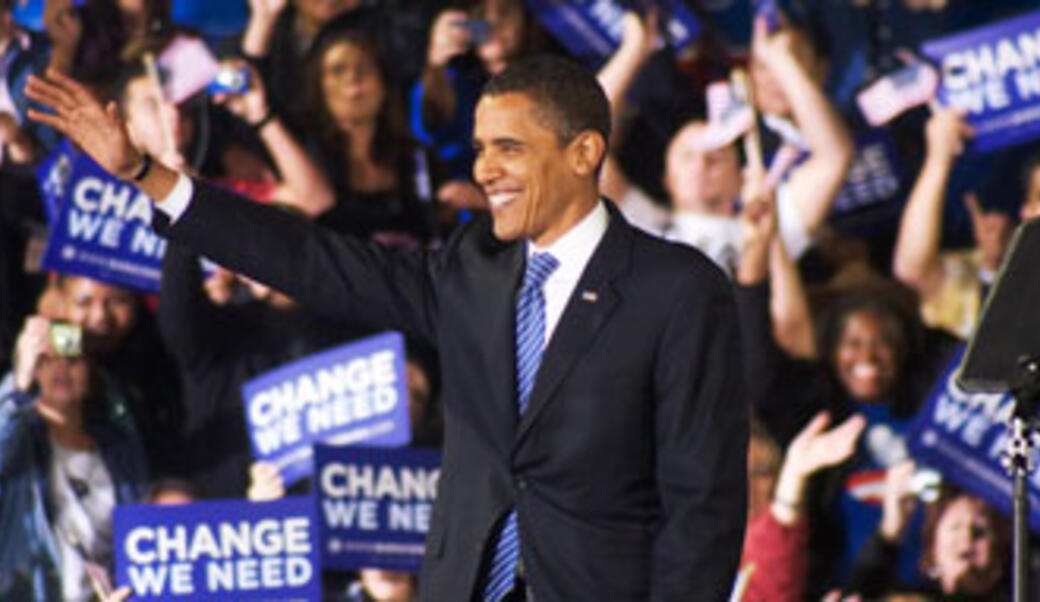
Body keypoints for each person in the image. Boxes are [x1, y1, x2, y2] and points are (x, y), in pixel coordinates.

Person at [27, 54, 748, 600]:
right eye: (479, 147)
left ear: (584, 152)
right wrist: (151, 175)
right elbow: (311, 258)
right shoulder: (473, 269)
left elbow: (703, 502)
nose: (486, 168)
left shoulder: (676, 290)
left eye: (509, 147)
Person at [0, 316, 148, 601]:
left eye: (72, 358)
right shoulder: (20, 445)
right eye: (46, 359)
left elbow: (138, 527)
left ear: (91, 376)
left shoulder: (120, 449)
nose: (61, 368)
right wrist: (18, 384)